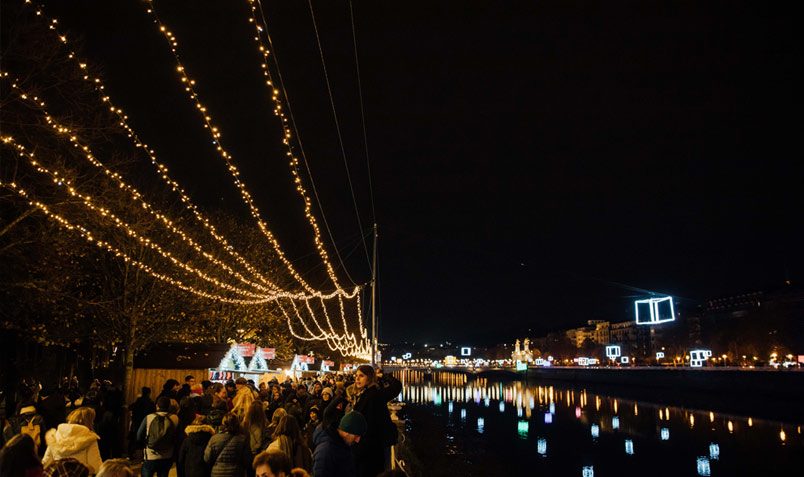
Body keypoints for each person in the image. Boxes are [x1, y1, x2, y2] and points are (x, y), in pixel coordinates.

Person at [351, 367, 402, 477]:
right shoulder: (366, 394)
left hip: (371, 448)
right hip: (370, 446)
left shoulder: (375, 394)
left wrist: (383, 376)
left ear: (369, 378)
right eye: (356, 376)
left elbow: (396, 386)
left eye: (361, 376)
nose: (357, 379)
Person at [42, 407, 102, 474]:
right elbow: (95, 467)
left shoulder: (55, 436)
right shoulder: (90, 438)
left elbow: (46, 462)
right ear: (89, 421)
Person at [311, 412, 367, 477]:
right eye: (356, 436)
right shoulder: (325, 451)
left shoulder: (343, 445)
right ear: (347, 432)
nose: (357, 440)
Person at [137, 396, 178, 477]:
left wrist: (144, 445)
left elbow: (139, 435)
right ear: (169, 406)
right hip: (167, 455)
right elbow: (178, 437)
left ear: (157, 406)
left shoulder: (149, 417)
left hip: (150, 454)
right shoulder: (175, 418)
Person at [203, 413, 251, 477]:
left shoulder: (214, 439)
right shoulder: (242, 439)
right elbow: (247, 460)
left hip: (217, 473)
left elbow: (207, 458)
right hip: (236, 473)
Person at [128, 388, 155, 455]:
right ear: (149, 393)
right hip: (147, 422)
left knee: (133, 438)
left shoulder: (138, 401)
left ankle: (131, 454)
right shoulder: (150, 403)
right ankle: (144, 455)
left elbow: (131, 407)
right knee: (145, 439)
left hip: (136, 422)